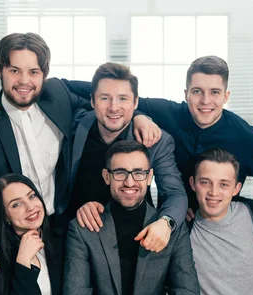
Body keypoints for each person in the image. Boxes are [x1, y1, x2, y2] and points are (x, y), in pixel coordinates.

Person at [0, 55, 253, 224]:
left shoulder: (244, 136)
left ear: (227, 96)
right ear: (185, 92)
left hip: (209, 220)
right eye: (197, 91)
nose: (205, 101)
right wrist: (2, 96)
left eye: (214, 93)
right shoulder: (163, 111)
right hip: (109, 221)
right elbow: (69, 87)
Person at [0, 33, 159, 275]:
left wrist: (140, 116)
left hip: (61, 232)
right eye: (14, 71)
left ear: (44, 74)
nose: (24, 81)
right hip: (7, 241)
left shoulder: (58, 95)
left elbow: (111, 96)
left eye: (33, 72)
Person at [62, 140, 202, 295]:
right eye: (120, 173)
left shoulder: (171, 228)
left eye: (138, 173)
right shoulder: (82, 228)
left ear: (149, 176)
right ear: (106, 176)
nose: (129, 182)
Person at [67, 62, 187, 253]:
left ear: (136, 102)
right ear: (92, 101)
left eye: (123, 99)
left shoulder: (155, 140)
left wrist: (166, 222)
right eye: (105, 98)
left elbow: (175, 193)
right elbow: (47, 89)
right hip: (74, 238)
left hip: (133, 241)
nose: (114, 108)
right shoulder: (75, 124)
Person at [188, 148, 253, 295]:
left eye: (223, 184)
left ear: (236, 188)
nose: (214, 192)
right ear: (193, 184)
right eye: (205, 182)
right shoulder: (182, 225)